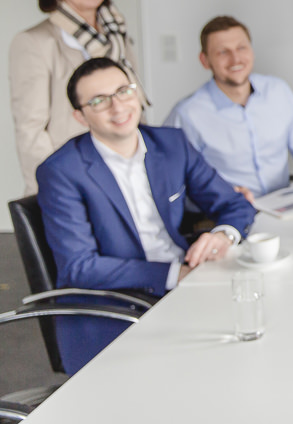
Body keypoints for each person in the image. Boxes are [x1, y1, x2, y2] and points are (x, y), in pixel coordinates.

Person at [36, 57, 256, 374]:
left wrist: (223, 234)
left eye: (124, 91)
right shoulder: (61, 171)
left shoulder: (171, 144)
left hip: (188, 282)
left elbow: (235, 205)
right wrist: (172, 274)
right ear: (80, 115)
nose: (118, 106)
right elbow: (80, 267)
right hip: (112, 304)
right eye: (99, 101)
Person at [9, 0, 146, 195]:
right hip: (74, 175)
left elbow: (134, 99)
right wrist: (55, 187)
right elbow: (31, 131)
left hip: (129, 167)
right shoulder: (34, 42)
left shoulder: (116, 34)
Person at [163, 16, 293, 198]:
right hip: (227, 214)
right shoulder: (188, 114)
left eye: (241, 48)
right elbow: (174, 179)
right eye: (223, 52)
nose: (235, 59)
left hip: (283, 203)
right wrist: (221, 195)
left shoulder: (277, 91)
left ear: (252, 51)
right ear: (205, 60)